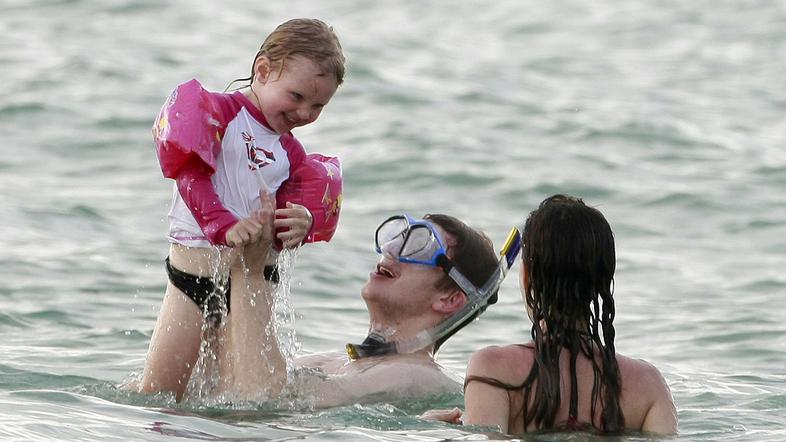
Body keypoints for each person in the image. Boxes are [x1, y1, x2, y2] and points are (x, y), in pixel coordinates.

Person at [140, 18, 346, 401]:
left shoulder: (291, 153)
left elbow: (291, 212)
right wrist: (222, 226)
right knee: (160, 395)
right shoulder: (217, 115)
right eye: (297, 96)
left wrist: (305, 221)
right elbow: (190, 177)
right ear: (263, 71)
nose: (304, 112)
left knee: (241, 399)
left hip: (253, 283)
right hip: (193, 279)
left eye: (318, 105)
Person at [181, 203, 515, 407]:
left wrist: (253, 273)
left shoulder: (417, 377)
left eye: (421, 245)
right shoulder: (336, 361)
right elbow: (222, 387)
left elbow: (265, 398)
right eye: (400, 233)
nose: (393, 249)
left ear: (450, 299)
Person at [424, 195, 677, 435]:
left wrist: (431, 431)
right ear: (604, 279)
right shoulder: (648, 385)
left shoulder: (493, 368)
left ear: (527, 276)